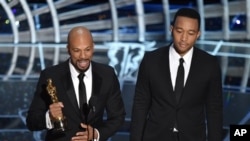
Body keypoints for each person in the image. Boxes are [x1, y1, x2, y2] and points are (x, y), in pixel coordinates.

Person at [130, 8, 223, 141]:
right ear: (171, 29)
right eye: (179, 31)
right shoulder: (151, 60)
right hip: (155, 136)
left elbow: (214, 110)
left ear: (198, 34)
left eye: (190, 33)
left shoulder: (210, 64)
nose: (184, 38)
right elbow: (140, 104)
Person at [26, 26, 126, 141]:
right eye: (77, 50)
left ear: (93, 47)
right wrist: (49, 118)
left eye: (87, 49)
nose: (83, 56)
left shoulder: (107, 74)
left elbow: (118, 117)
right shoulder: (50, 76)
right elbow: (31, 121)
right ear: (68, 49)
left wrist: (97, 134)